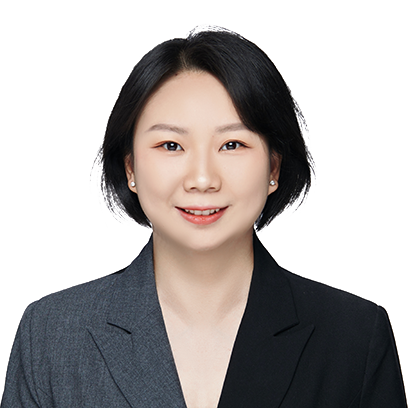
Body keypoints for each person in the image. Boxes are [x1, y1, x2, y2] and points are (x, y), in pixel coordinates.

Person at [1, 26, 406, 408]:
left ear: (274, 167)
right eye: (171, 145)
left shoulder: (355, 336)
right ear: (130, 168)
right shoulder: (52, 335)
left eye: (232, 144)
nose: (202, 179)